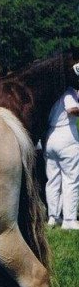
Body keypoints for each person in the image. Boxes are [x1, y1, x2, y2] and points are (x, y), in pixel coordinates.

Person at [43, 87, 79, 230]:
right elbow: (71, 109)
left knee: (52, 180)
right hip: (66, 135)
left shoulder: (50, 92)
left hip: (50, 136)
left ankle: (53, 217)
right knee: (71, 179)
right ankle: (69, 219)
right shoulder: (67, 91)